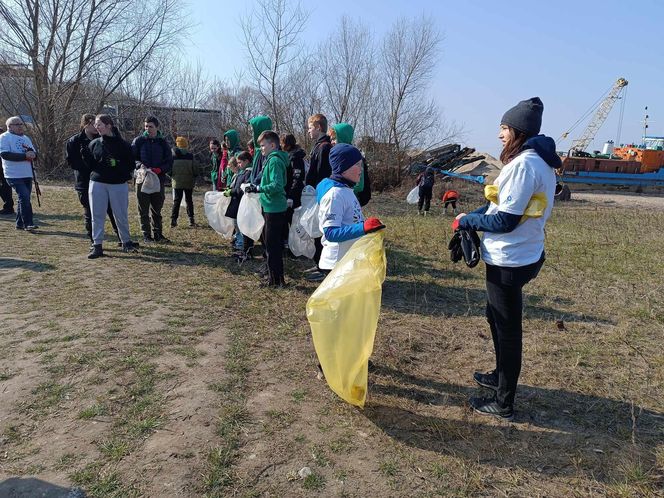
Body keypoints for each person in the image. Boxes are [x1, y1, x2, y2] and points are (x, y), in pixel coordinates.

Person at [453, 97, 559, 420]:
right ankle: (500, 377)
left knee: (508, 328)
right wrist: (474, 213)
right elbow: (499, 206)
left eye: (503, 128)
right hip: (518, 254)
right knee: (495, 316)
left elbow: (505, 221)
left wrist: (467, 222)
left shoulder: (527, 165)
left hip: (510, 260)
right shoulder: (534, 161)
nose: (499, 134)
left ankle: (503, 402)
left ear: (518, 131)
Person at [316, 143, 385, 276]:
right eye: (357, 165)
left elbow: (351, 220)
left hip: (348, 259)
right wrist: (363, 228)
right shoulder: (334, 195)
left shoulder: (347, 189)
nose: (361, 170)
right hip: (335, 263)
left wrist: (369, 229)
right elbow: (330, 233)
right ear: (343, 168)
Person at [82, 114, 139, 259]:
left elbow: (130, 166)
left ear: (109, 126)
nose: (97, 127)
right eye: (96, 124)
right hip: (97, 183)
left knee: (120, 214)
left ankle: (126, 242)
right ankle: (97, 245)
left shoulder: (124, 145)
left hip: (117, 184)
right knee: (97, 214)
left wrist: (118, 164)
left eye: (99, 124)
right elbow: (91, 166)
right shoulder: (94, 144)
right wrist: (86, 158)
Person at [66, 113, 120, 244]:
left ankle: (121, 237)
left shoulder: (102, 139)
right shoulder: (74, 141)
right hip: (84, 182)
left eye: (97, 124)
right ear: (85, 125)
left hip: (104, 180)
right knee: (90, 213)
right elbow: (73, 163)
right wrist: (92, 168)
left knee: (112, 210)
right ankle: (94, 241)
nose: (95, 127)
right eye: (92, 124)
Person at [244, 130, 288, 287]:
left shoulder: (275, 161)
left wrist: (258, 188)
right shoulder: (269, 160)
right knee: (269, 244)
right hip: (269, 205)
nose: (261, 149)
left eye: (263, 146)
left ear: (273, 145)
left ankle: (277, 280)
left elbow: (277, 185)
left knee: (272, 246)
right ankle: (273, 278)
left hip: (274, 208)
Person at [132, 116, 173, 243]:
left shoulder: (163, 142)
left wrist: (160, 169)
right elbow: (132, 158)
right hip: (142, 178)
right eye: (146, 126)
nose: (147, 129)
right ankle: (146, 235)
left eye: (150, 126)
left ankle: (158, 234)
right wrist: (140, 165)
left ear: (157, 127)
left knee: (157, 208)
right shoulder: (139, 141)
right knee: (143, 208)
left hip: (158, 179)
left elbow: (169, 161)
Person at [304, 114, 333, 281]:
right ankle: (319, 264)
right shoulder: (318, 146)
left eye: (310, 127)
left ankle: (324, 269)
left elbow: (322, 174)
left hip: (320, 195)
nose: (308, 131)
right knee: (316, 230)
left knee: (320, 231)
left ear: (319, 128)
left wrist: (316, 194)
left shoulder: (324, 147)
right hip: (315, 194)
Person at [0, 116, 37, 230]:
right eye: (17, 124)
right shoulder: (4, 137)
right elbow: (5, 154)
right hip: (13, 174)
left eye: (21, 124)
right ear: (10, 127)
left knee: (24, 198)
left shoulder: (26, 138)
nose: (21, 126)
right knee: (24, 196)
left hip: (27, 173)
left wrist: (33, 155)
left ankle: (19, 224)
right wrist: (24, 156)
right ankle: (28, 223)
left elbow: (33, 153)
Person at [224, 151, 253, 256]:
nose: (239, 165)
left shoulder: (249, 172)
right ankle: (240, 242)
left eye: (240, 162)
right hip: (237, 202)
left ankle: (242, 245)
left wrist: (231, 192)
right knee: (237, 223)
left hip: (242, 202)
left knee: (241, 224)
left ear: (246, 161)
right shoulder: (243, 171)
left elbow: (243, 188)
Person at [170, 136, 197, 228]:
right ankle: (191, 219)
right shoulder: (190, 156)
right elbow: (195, 169)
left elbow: (169, 170)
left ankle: (173, 220)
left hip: (177, 182)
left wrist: (172, 176)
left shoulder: (173, 156)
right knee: (189, 200)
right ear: (186, 145)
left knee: (176, 201)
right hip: (189, 182)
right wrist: (194, 176)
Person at [0, 123, 14, 215]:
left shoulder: (3, 137)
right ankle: (8, 206)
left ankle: (8, 207)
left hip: (2, 164)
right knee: (5, 186)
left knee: (5, 185)